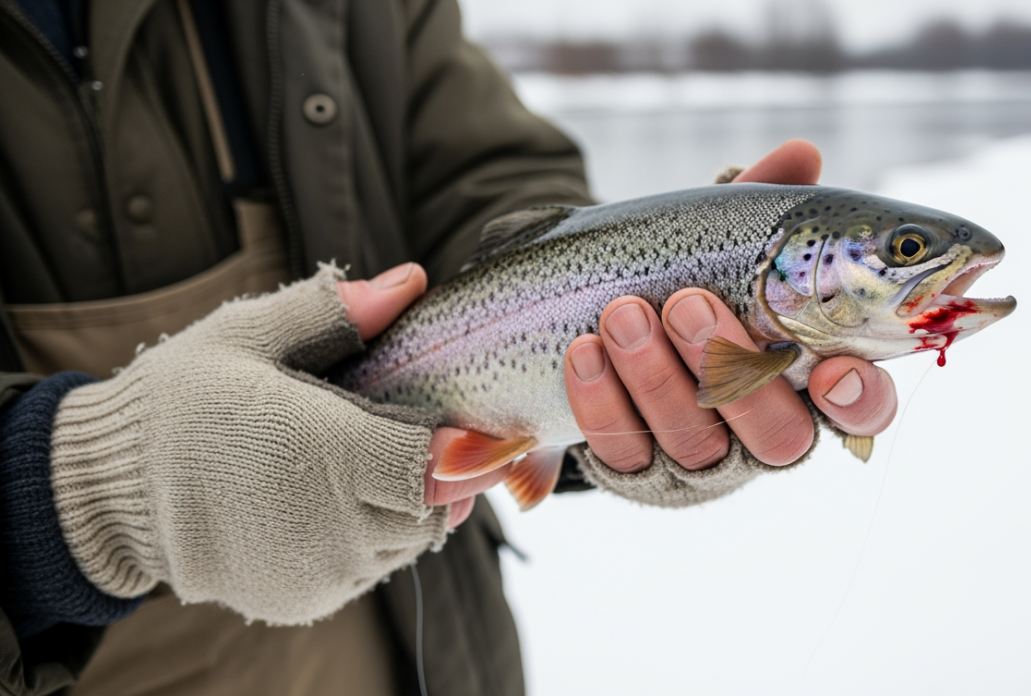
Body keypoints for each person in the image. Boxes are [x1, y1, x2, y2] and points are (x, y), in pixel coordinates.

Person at [0, 0, 898, 694]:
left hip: (427, 654)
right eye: (905, 252)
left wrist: (616, 360)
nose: (931, 274)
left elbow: (490, 187)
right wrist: (80, 493)